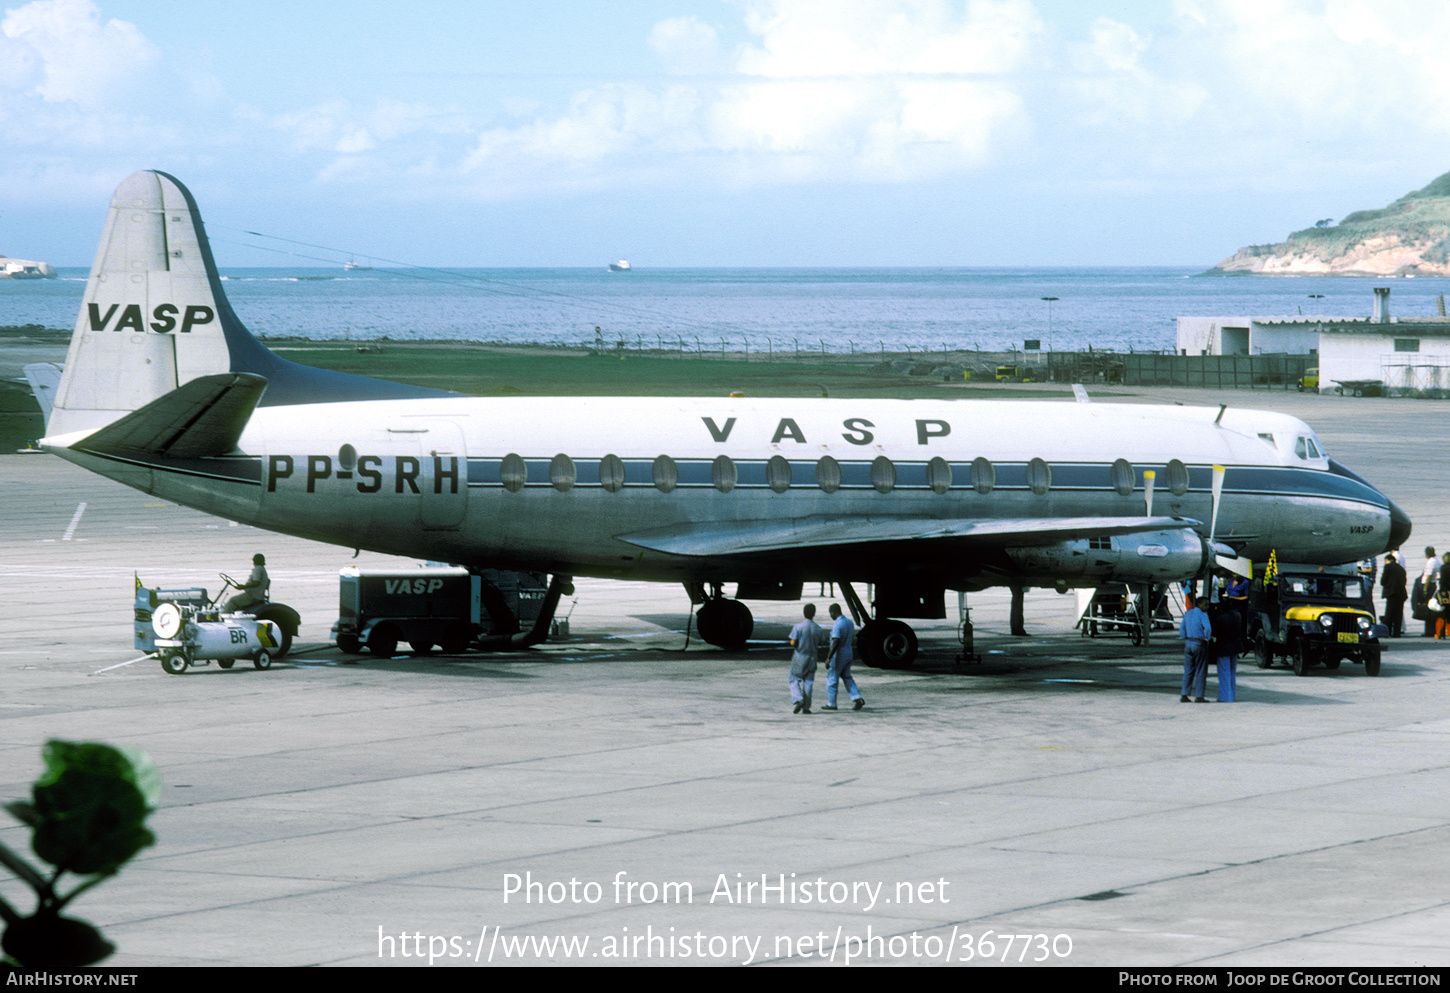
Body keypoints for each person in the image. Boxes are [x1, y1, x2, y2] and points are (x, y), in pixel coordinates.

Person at [822, 604, 864, 711]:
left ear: (833, 612)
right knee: (847, 676)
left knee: (832, 678)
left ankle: (831, 703)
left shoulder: (837, 624)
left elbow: (836, 641)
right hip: (848, 652)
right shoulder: (849, 622)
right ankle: (857, 697)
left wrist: (828, 658)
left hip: (839, 654)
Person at [788, 603, 825, 714]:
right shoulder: (817, 628)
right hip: (812, 658)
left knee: (793, 679)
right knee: (808, 682)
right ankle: (806, 707)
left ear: (804, 613)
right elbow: (822, 642)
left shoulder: (798, 627)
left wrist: (795, 645)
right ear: (814, 614)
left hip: (800, 657)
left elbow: (793, 642)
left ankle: (798, 699)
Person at [1179, 592, 1212, 703]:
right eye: (1206, 605)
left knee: (1188, 670)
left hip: (1188, 643)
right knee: (1201, 670)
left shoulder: (1188, 613)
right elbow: (1207, 629)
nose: (1207, 607)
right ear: (1199, 605)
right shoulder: (1203, 615)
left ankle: (1184, 694)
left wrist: (1185, 637)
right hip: (1199, 643)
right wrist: (1207, 638)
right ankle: (1199, 696)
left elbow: (1182, 628)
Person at [1210, 601, 1244, 702]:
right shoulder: (1238, 616)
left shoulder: (1219, 619)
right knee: (1232, 672)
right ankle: (1232, 695)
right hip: (1235, 646)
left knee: (1224, 672)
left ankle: (1225, 697)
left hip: (1223, 647)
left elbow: (1215, 633)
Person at [1381, 551, 1407, 638]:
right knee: (1398, 614)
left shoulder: (1388, 566)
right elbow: (1404, 581)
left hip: (1392, 593)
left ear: (1388, 560)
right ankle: (1397, 633)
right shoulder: (1401, 568)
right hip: (1401, 593)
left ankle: (1387, 632)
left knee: (1389, 613)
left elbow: (1383, 581)